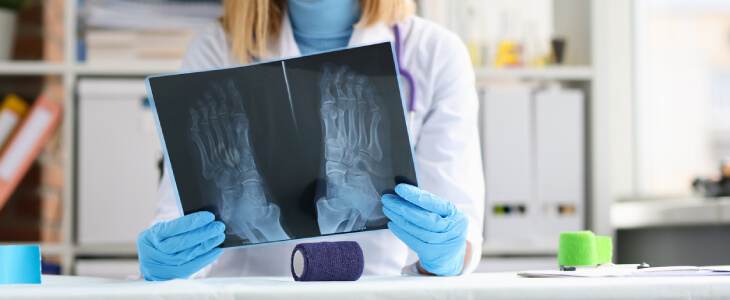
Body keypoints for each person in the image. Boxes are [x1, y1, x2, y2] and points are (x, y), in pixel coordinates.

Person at [137, 0, 484, 280]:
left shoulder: (436, 53)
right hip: (248, 293)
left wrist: (445, 254)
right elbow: (179, 213)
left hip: (379, 288)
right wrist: (169, 259)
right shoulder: (217, 47)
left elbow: (460, 227)